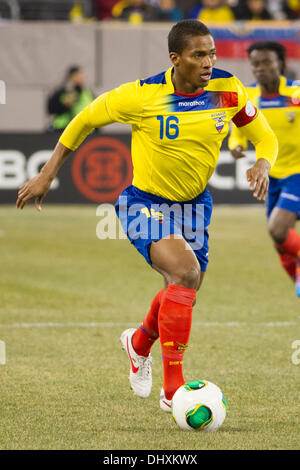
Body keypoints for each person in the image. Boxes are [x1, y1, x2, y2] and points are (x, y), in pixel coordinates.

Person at [16, 20, 278, 413]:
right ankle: (173, 391)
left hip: (195, 205)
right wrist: (47, 174)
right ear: (175, 58)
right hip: (143, 203)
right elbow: (85, 119)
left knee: (185, 287)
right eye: (198, 55)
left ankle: (138, 345)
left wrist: (262, 162)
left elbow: (265, 136)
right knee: (185, 275)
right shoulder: (140, 95)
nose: (209, 62)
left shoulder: (228, 89)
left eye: (212, 53)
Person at [228, 41, 300, 297]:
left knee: (277, 229)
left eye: (267, 62)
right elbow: (238, 129)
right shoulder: (249, 97)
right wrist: (235, 146)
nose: (260, 68)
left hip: (297, 173)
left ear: (280, 63)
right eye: (255, 64)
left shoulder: (295, 94)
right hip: (273, 177)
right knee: (280, 244)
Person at [47, 66, 94, 130]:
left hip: (84, 129)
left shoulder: (88, 93)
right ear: (70, 78)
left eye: (81, 75)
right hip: (62, 129)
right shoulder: (62, 92)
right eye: (77, 75)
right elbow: (51, 109)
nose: (81, 78)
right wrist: (65, 104)